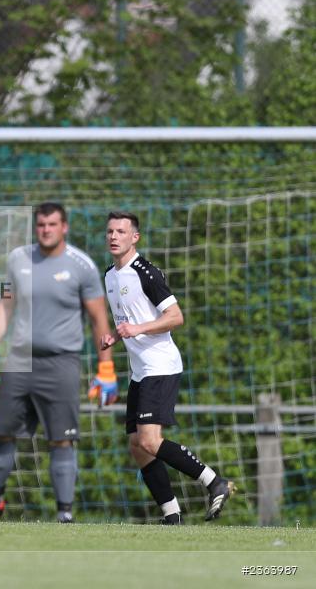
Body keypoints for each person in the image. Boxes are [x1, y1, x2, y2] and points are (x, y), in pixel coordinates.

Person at [0, 202, 115, 524]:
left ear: (64, 227)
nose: (46, 230)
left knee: (61, 439)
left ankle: (65, 512)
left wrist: (106, 368)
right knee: (3, 433)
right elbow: (5, 307)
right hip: (20, 362)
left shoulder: (82, 266)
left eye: (52, 224)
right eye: (41, 224)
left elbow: (99, 321)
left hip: (61, 364)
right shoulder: (18, 259)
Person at [101, 211, 234, 524]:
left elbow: (175, 317)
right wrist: (116, 336)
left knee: (149, 440)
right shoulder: (109, 275)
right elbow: (129, 322)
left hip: (160, 365)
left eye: (121, 231)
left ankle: (215, 482)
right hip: (139, 369)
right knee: (137, 446)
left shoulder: (145, 272)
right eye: (110, 231)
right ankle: (171, 514)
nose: (114, 237)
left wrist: (139, 329)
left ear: (135, 237)